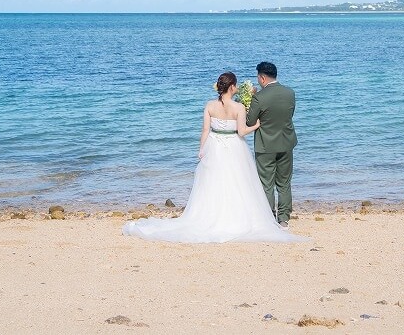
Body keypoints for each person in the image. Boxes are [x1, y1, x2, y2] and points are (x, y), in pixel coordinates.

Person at [122, 71, 303, 243]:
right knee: (237, 182)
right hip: (234, 147)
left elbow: (205, 130)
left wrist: (201, 149)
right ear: (231, 87)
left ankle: (211, 216)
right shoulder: (238, 107)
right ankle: (250, 216)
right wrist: (256, 125)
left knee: (214, 183)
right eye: (236, 85)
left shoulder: (209, 105)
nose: (237, 87)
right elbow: (242, 132)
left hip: (214, 146)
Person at [245, 61, 296, 226]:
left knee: (266, 184)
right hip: (286, 142)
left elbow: (250, 121)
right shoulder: (290, 93)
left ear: (262, 77)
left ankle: (268, 218)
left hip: (265, 145)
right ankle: (284, 219)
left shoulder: (259, 97)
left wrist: (248, 105)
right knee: (284, 183)